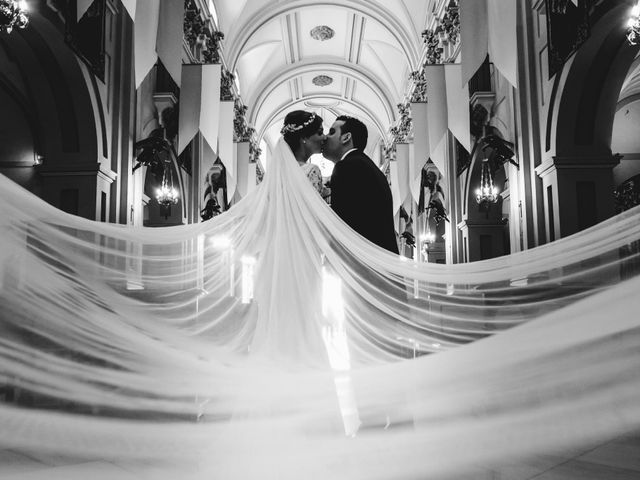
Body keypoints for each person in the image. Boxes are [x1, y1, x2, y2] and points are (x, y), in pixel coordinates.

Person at [323, 115, 398, 254]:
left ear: (346, 137)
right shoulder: (364, 164)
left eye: (332, 132)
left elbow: (343, 224)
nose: (326, 137)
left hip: (366, 263)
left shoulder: (347, 167)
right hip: (380, 260)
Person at [281, 110, 330, 200]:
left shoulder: (280, 171)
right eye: (320, 133)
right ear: (303, 137)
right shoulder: (312, 171)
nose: (325, 137)